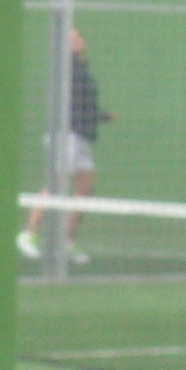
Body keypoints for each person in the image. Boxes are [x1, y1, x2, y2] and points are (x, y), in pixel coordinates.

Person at [18, 28, 109, 265]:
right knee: (56, 185)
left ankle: (66, 241)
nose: (77, 39)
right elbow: (71, 102)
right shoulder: (66, 68)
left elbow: (85, 104)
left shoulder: (82, 68)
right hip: (65, 135)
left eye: (78, 36)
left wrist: (102, 116)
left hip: (81, 136)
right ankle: (28, 235)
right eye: (71, 38)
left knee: (85, 187)